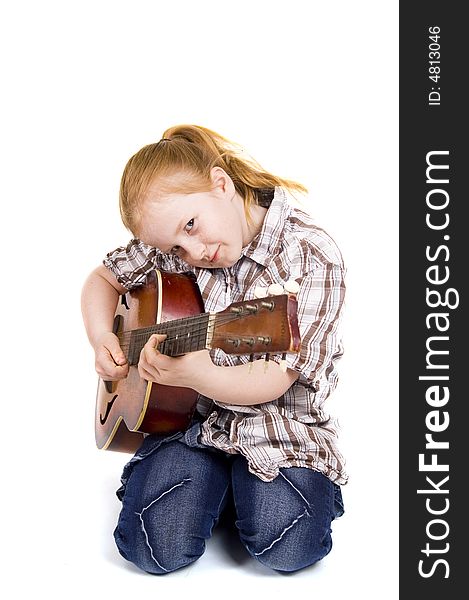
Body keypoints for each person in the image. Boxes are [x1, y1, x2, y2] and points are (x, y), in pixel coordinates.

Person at [81, 124, 347, 575]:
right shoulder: (176, 247)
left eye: (191, 225)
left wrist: (199, 376)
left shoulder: (309, 255)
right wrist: (102, 336)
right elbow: (102, 281)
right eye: (175, 248)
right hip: (189, 424)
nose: (192, 251)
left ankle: (231, 490)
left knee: (288, 545)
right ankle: (214, 484)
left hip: (279, 428)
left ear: (221, 184)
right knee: (150, 547)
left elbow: (275, 377)